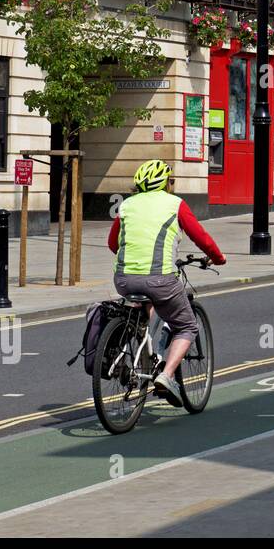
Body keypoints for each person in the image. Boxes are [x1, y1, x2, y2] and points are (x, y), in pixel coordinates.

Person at [107, 159, 226, 408]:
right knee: (186, 327)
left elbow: (112, 244)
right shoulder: (175, 205)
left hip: (124, 280)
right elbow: (200, 236)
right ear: (166, 183)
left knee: (145, 304)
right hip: (161, 280)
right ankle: (167, 375)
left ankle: (139, 349)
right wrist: (217, 257)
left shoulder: (126, 206)